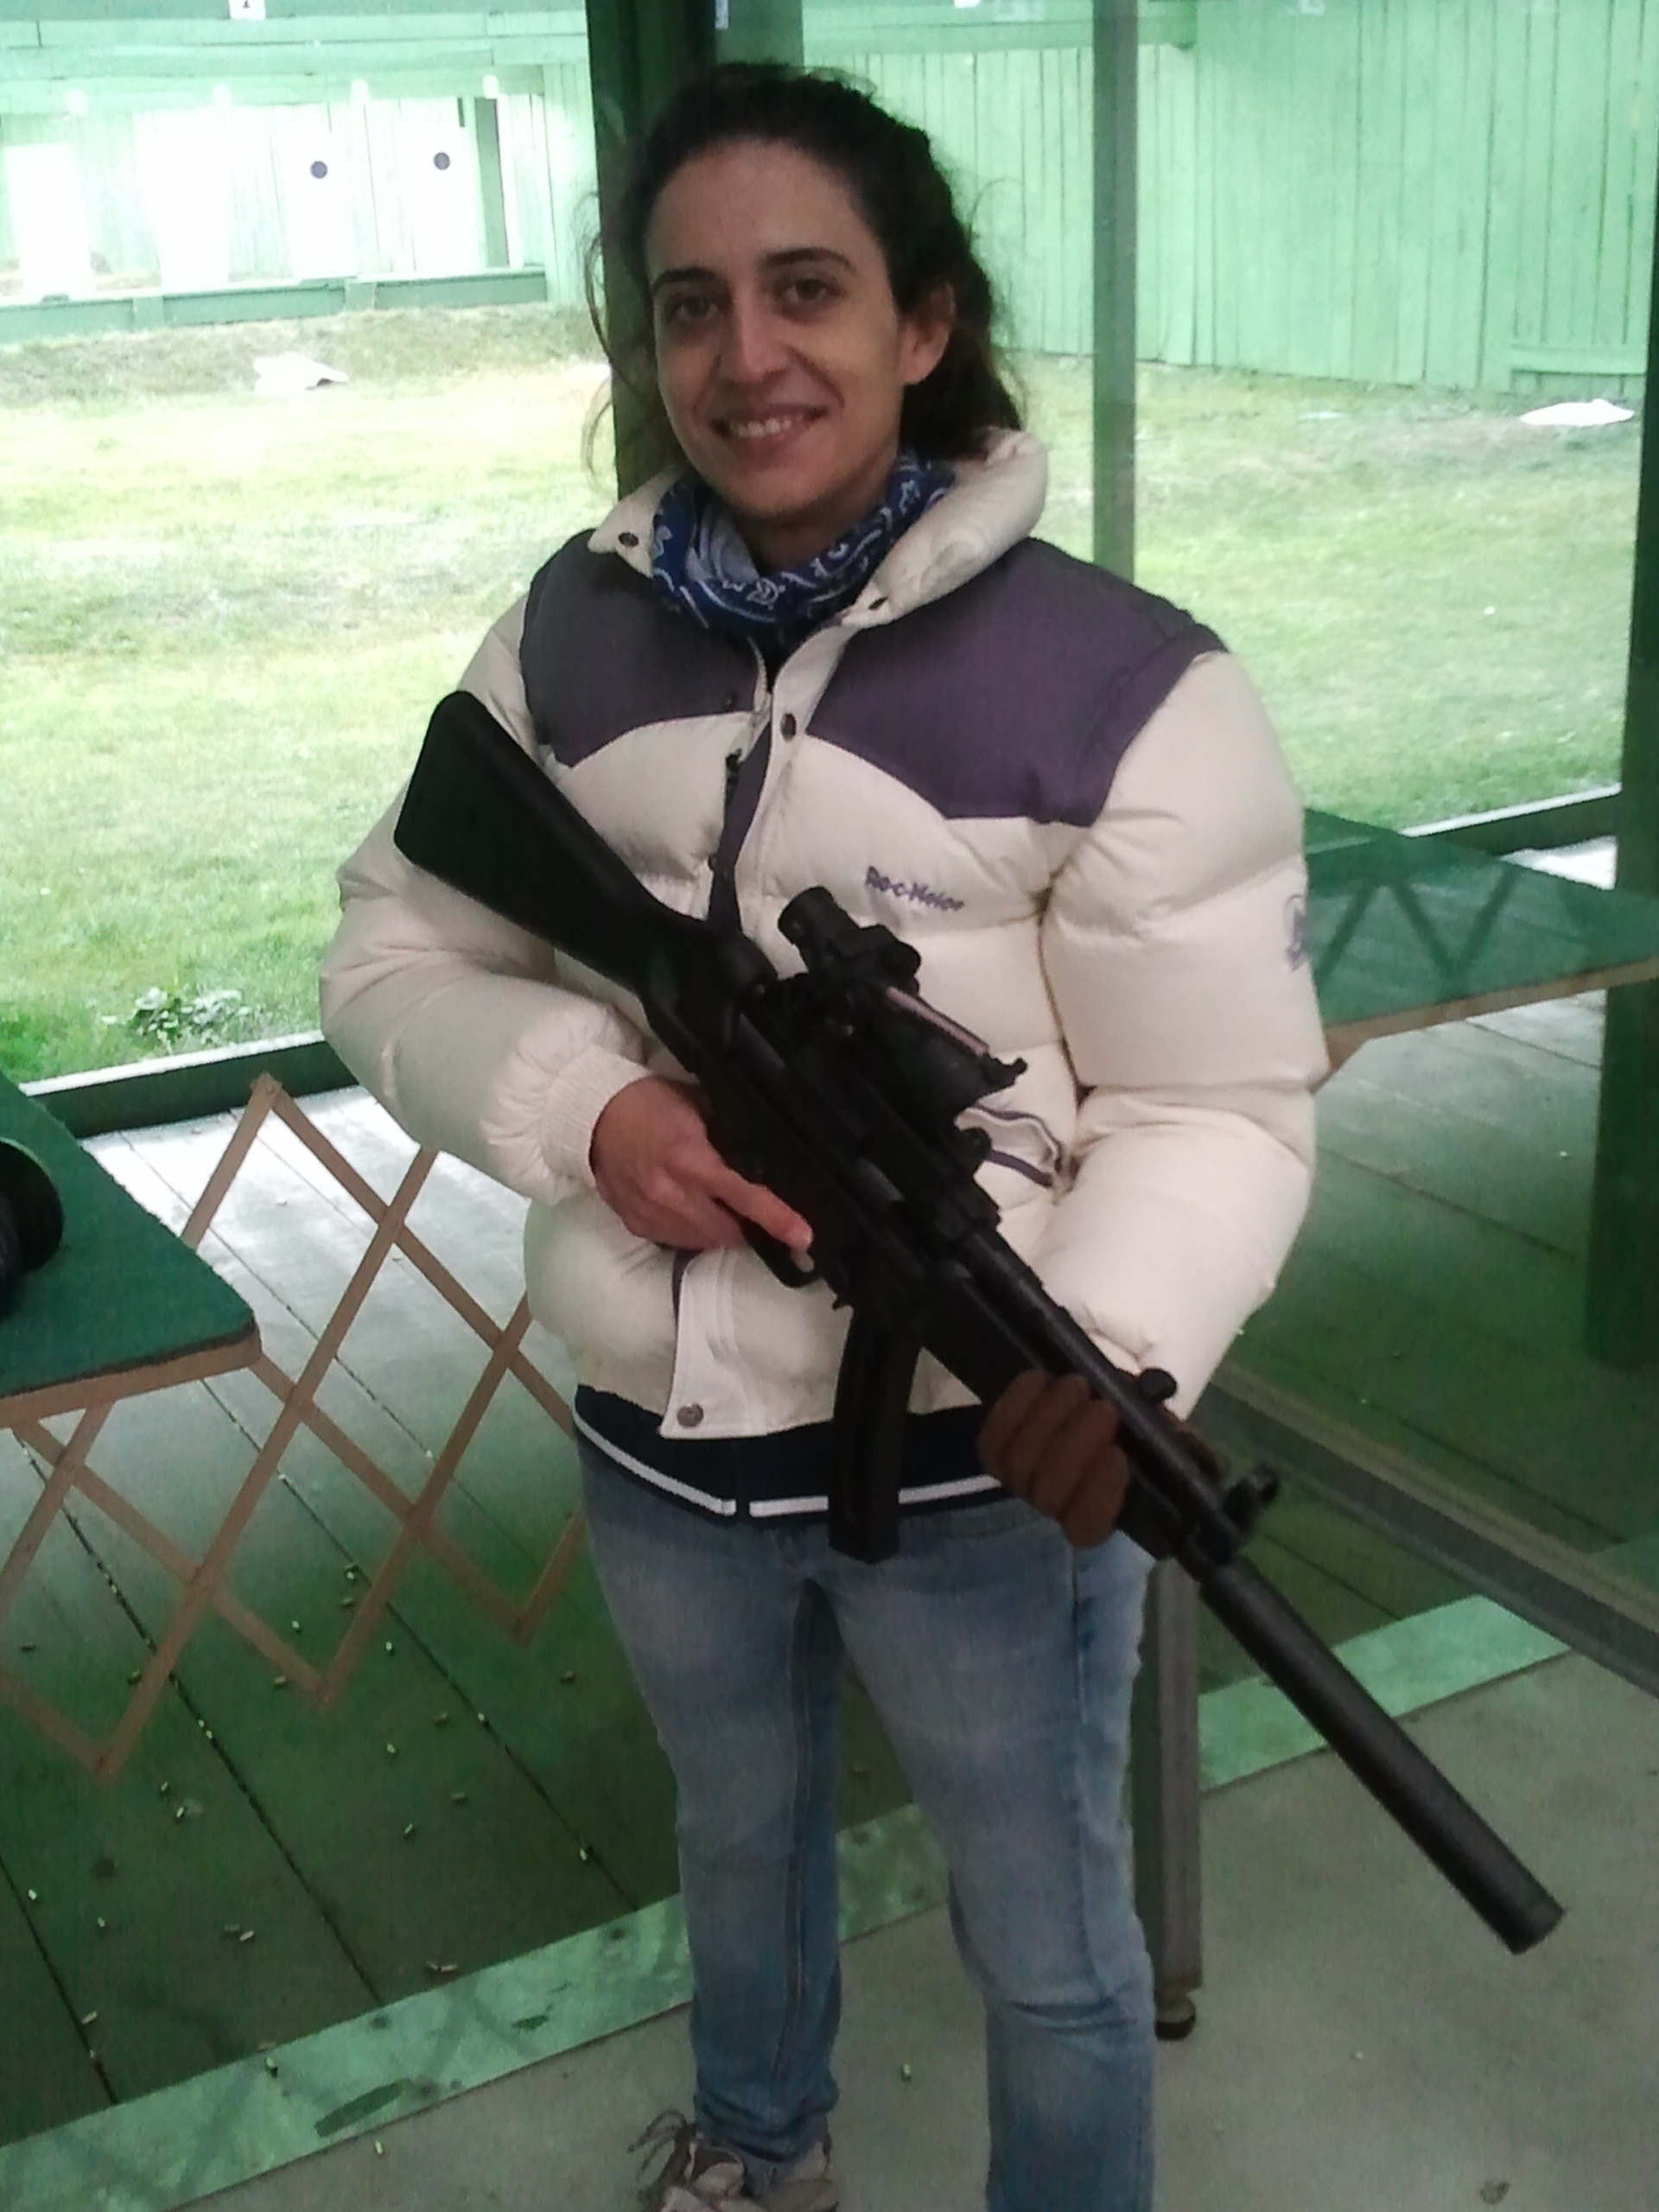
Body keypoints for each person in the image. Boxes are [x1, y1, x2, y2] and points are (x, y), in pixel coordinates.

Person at [320, 64, 1327, 2212]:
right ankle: (760, 2152)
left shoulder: (1125, 682)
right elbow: (392, 949)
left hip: (985, 1463)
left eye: (807, 289)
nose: (746, 354)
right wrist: (591, 1101)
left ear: (923, 321)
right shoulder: (569, 633)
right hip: (663, 1435)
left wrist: (1116, 1345)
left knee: (1048, 1944)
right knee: (738, 1843)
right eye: (691, 303)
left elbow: (1214, 1100)